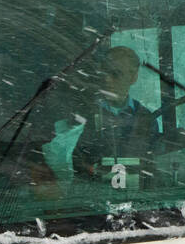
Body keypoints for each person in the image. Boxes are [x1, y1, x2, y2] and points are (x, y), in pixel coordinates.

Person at [68, 46, 158, 187]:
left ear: (133, 77)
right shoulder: (82, 115)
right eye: (104, 74)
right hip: (92, 196)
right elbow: (70, 164)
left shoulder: (146, 118)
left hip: (137, 198)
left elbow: (153, 162)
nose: (107, 80)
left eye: (115, 74)